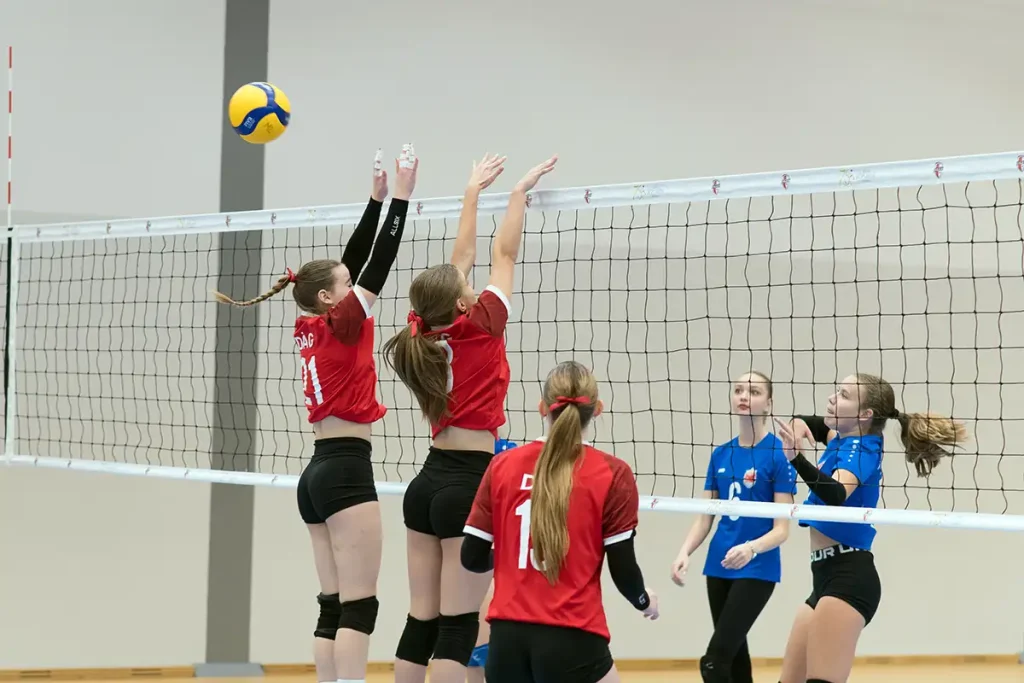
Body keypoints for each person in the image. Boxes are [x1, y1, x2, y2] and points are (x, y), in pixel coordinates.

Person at [214, 146, 419, 683]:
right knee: (359, 607)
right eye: (346, 289)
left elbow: (350, 265)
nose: (355, 290)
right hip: (346, 470)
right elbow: (376, 264)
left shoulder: (313, 322)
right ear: (330, 299)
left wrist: (373, 202)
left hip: (316, 475)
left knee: (333, 605)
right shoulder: (343, 322)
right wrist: (400, 199)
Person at [383, 154, 557, 683]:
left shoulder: (424, 331)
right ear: (462, 305)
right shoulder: (484, 323)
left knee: (420, 622)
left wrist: (472, 193)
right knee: (458, 631)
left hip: (426, 483)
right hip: (468, 486)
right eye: (467, 290)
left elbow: (460, 261)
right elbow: (504, 253)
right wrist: (518, 194)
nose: (472, 287)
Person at [461, 360, 659, 683]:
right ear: (597, 410)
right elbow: (623, 569)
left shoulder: (502, 466)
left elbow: (471, 557)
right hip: (573, 635)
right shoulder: (612, 473)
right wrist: (644, 601)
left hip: (507, 640)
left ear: (542, 407)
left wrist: (512, 554)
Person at [774, 372, 968, 683]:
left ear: (865, 415)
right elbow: (814, 425)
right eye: (837, 391)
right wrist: (797, 423)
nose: (832, 398)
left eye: (844, 395)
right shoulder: (841, 438)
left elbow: (836, 494)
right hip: (823, 576)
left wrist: (796, 458)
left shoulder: (862, 449)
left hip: (848, 578)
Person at [670, 371, 796, 683]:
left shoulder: (779, 454)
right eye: (738, 390)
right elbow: (705, 517)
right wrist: (684, 551)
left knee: (714, 661)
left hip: (757, 566)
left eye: (753, 391)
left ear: (768, 403)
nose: (743, 396)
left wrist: (751, 549)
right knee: (735, 659)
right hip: (718, 564)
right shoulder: (721, 454)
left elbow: (782, 529)